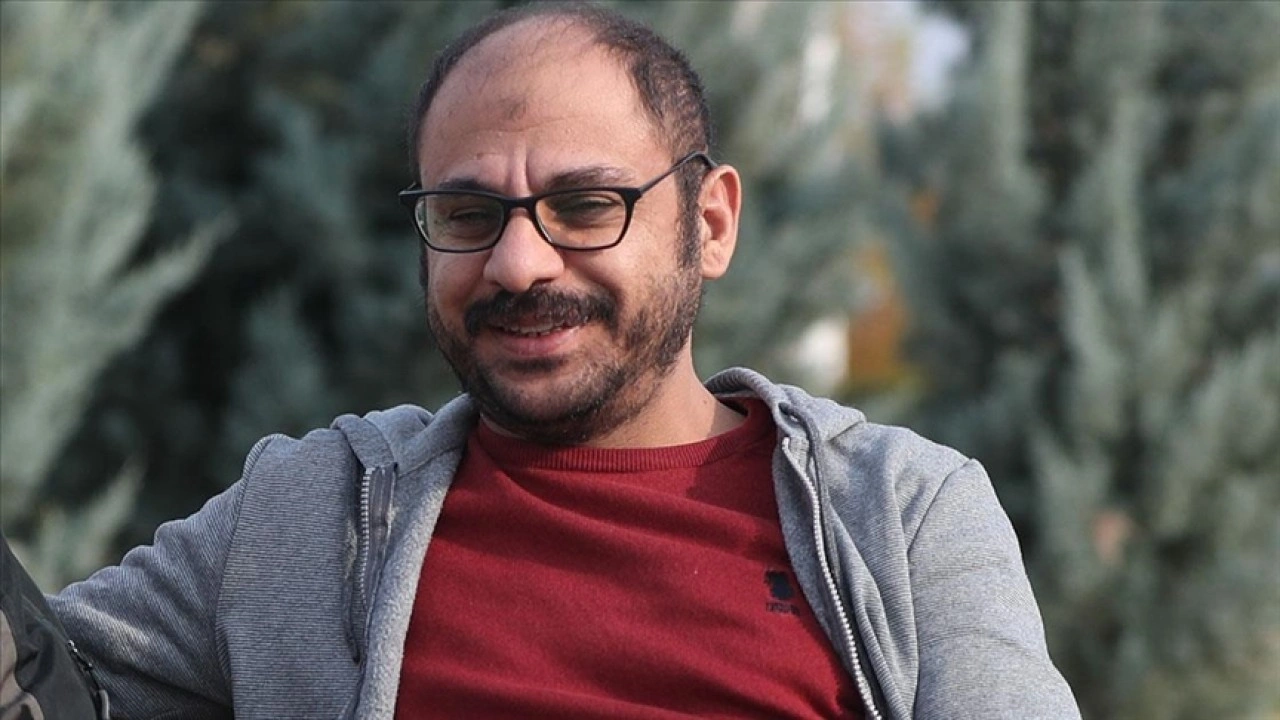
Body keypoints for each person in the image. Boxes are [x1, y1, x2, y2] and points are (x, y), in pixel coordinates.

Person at [49, 3, 1081, 719]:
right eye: (467, 214)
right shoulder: (307, 516)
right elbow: (42, 678)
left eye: (585, 206)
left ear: (710, 224)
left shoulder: (901, 517)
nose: (517, 264)